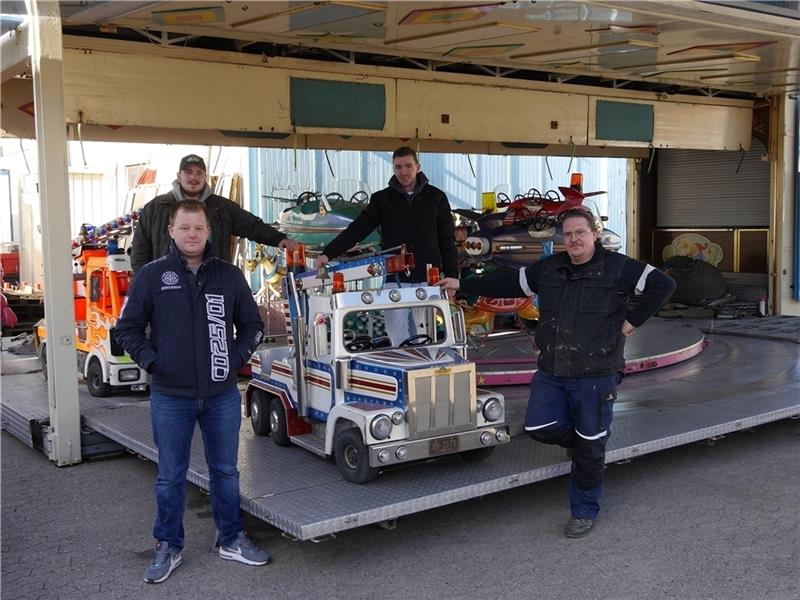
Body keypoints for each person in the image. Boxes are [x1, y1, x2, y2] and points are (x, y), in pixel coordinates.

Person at [436, 207, 676, 538]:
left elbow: (663, 284)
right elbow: (508, 282)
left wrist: (633, 320)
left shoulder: (620, 267)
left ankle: (584, 509)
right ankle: (584, 444)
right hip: (552, 369)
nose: (575, 239)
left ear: (594, 234)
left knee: (591, 445)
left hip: (596, 370)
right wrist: (461, 283)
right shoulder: (549, 268)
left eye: (581, 232)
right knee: (539, 426)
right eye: (569, 234)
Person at [116, 200, 269, 583]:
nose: (192, 235)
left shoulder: (229, 276)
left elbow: (253, 325)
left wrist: (234, 358)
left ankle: (231, 538)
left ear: (208, 231)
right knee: (170, 475)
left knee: (226, 472)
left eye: (198, 228)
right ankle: (168, 544)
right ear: (171, 231)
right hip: (171, 395)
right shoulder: (152, 276)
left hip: (220, 394)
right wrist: (153, 363)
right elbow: (127, 330)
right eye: (184, 228)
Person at [312, 146, 458, 345]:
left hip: (429, 278)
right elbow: (357, 230)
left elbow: (447, 239)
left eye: (408, 166)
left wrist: (452, 276)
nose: (403, 172)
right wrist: (327, 254)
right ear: (393, 169)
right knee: (396, 335)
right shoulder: (381, 199)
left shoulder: (437, 197)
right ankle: (404, 370)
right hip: (394, 276)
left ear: (418, 167)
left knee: (428, 334)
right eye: (398, 167)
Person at [130, 153, 296, 275]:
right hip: (167, 285)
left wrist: (278, 239)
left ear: (205, 177)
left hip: (210, 285)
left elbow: (252, 225)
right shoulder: (156, 208)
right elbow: (140, 250)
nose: (194, 177)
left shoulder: (220, 207)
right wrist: (144, 283)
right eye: (188, 172)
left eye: (199, 173)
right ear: (178, 176)